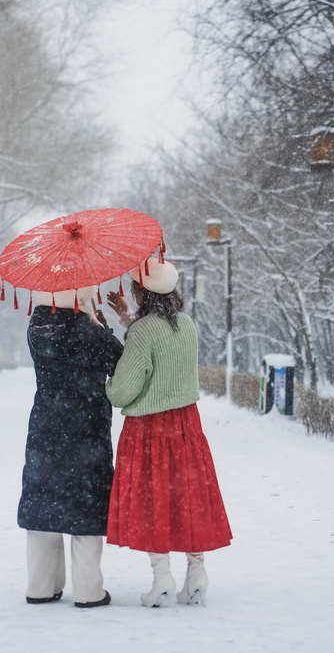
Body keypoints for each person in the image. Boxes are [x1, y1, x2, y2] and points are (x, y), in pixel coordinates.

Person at [104, 259, 232, 608]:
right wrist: (127, 319)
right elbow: (159, 343)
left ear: (140, 291)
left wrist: (109, 380)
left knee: (154, 501)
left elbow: (121, 392)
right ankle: (197, 573)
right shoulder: (186, 324)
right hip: (186, 426)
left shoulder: (144, 331)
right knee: (188, 496)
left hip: (149, 430)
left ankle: (161, 576)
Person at [17, 286, 124, 608]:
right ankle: (89, 591)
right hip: (86, 427)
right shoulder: (92, 332)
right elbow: (121, 364)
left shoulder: (35, 328)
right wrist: (104, 327)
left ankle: (41, 586)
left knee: (44, 503)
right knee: (85, 504)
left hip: (46, 425)